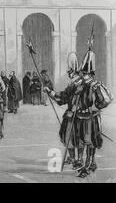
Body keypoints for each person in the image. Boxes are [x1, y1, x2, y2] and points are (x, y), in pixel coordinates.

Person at [45, 50, 110, 178]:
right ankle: (87, 164)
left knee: (90, 141)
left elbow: (104, 101)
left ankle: (89, 164)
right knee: (84, 141)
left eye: (86, 73)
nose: (84, 75)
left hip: (88, 117)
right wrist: (51, 93)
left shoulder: (91, 85)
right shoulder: (79, 84)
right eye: (83, 73)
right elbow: (64, 97)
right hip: (83, 117)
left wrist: (94, 107)